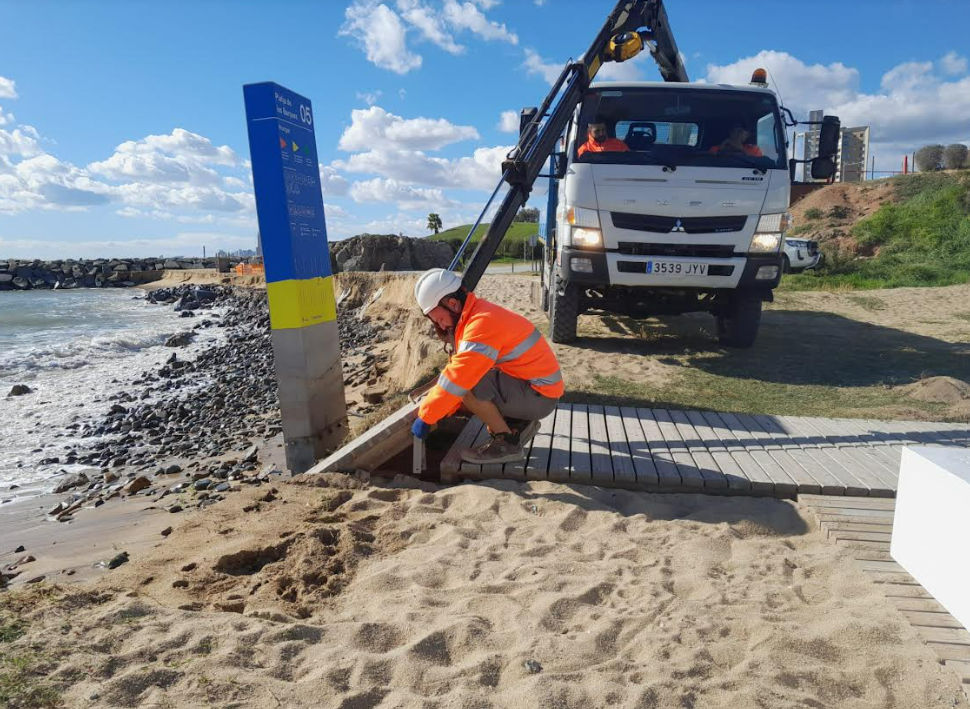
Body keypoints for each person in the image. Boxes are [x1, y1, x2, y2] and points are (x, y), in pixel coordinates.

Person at [410, 269, 564, 464]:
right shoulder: (478, 312)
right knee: (477, 376)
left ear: (453, 304)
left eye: (439, 319)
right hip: (538, 388)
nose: (440, 326)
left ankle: (506, 444)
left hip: (540, 397)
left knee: (469, 388)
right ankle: (518, 424)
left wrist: (426, 417)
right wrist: (445, 406)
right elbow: (459, 369)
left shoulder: (480, 326)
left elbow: (458, 379)